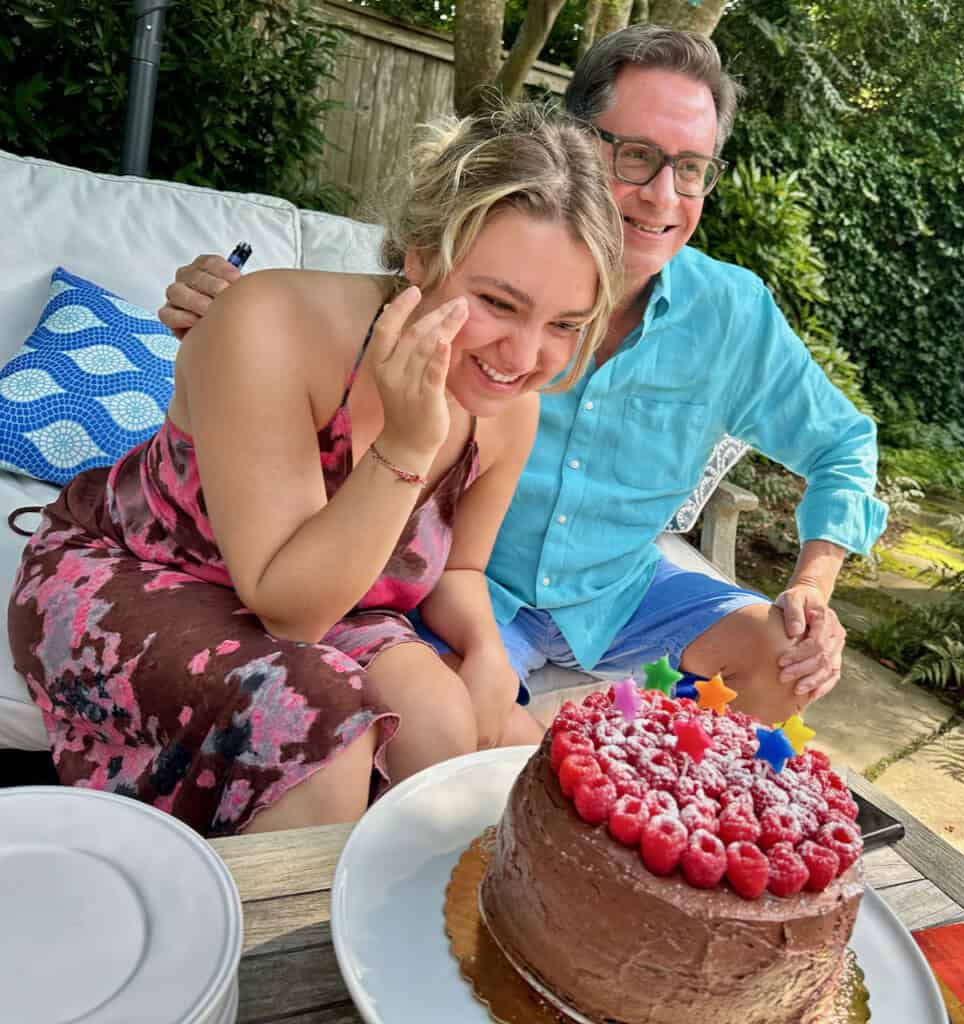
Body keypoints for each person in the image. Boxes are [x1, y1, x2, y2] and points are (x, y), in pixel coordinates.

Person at [159, 27, 888, 728]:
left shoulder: (732, 314)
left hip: (621, 593)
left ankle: (659, 784)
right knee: (439, 732)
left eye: (691, 167)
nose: (663, 196)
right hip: (468, 591)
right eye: (635, 156)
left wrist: (811, 584)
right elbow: (352, 319)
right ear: (571, 144)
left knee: (787, 658)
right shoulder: (474, 268)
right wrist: (227, 312)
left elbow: (843, 443)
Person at [6, 104, 624, 836]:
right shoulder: (269, 321)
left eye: (564, 325)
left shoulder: (509, 411)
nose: (522, 358)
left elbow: (459, 569)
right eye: (497, 303)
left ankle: (389, 901)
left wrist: (488, 653)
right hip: (142, 570)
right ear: (419, 256)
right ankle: (250, 911)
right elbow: (289, 608)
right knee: (323, 731)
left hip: (340, 608)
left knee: (443, 727)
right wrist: (406, 447)